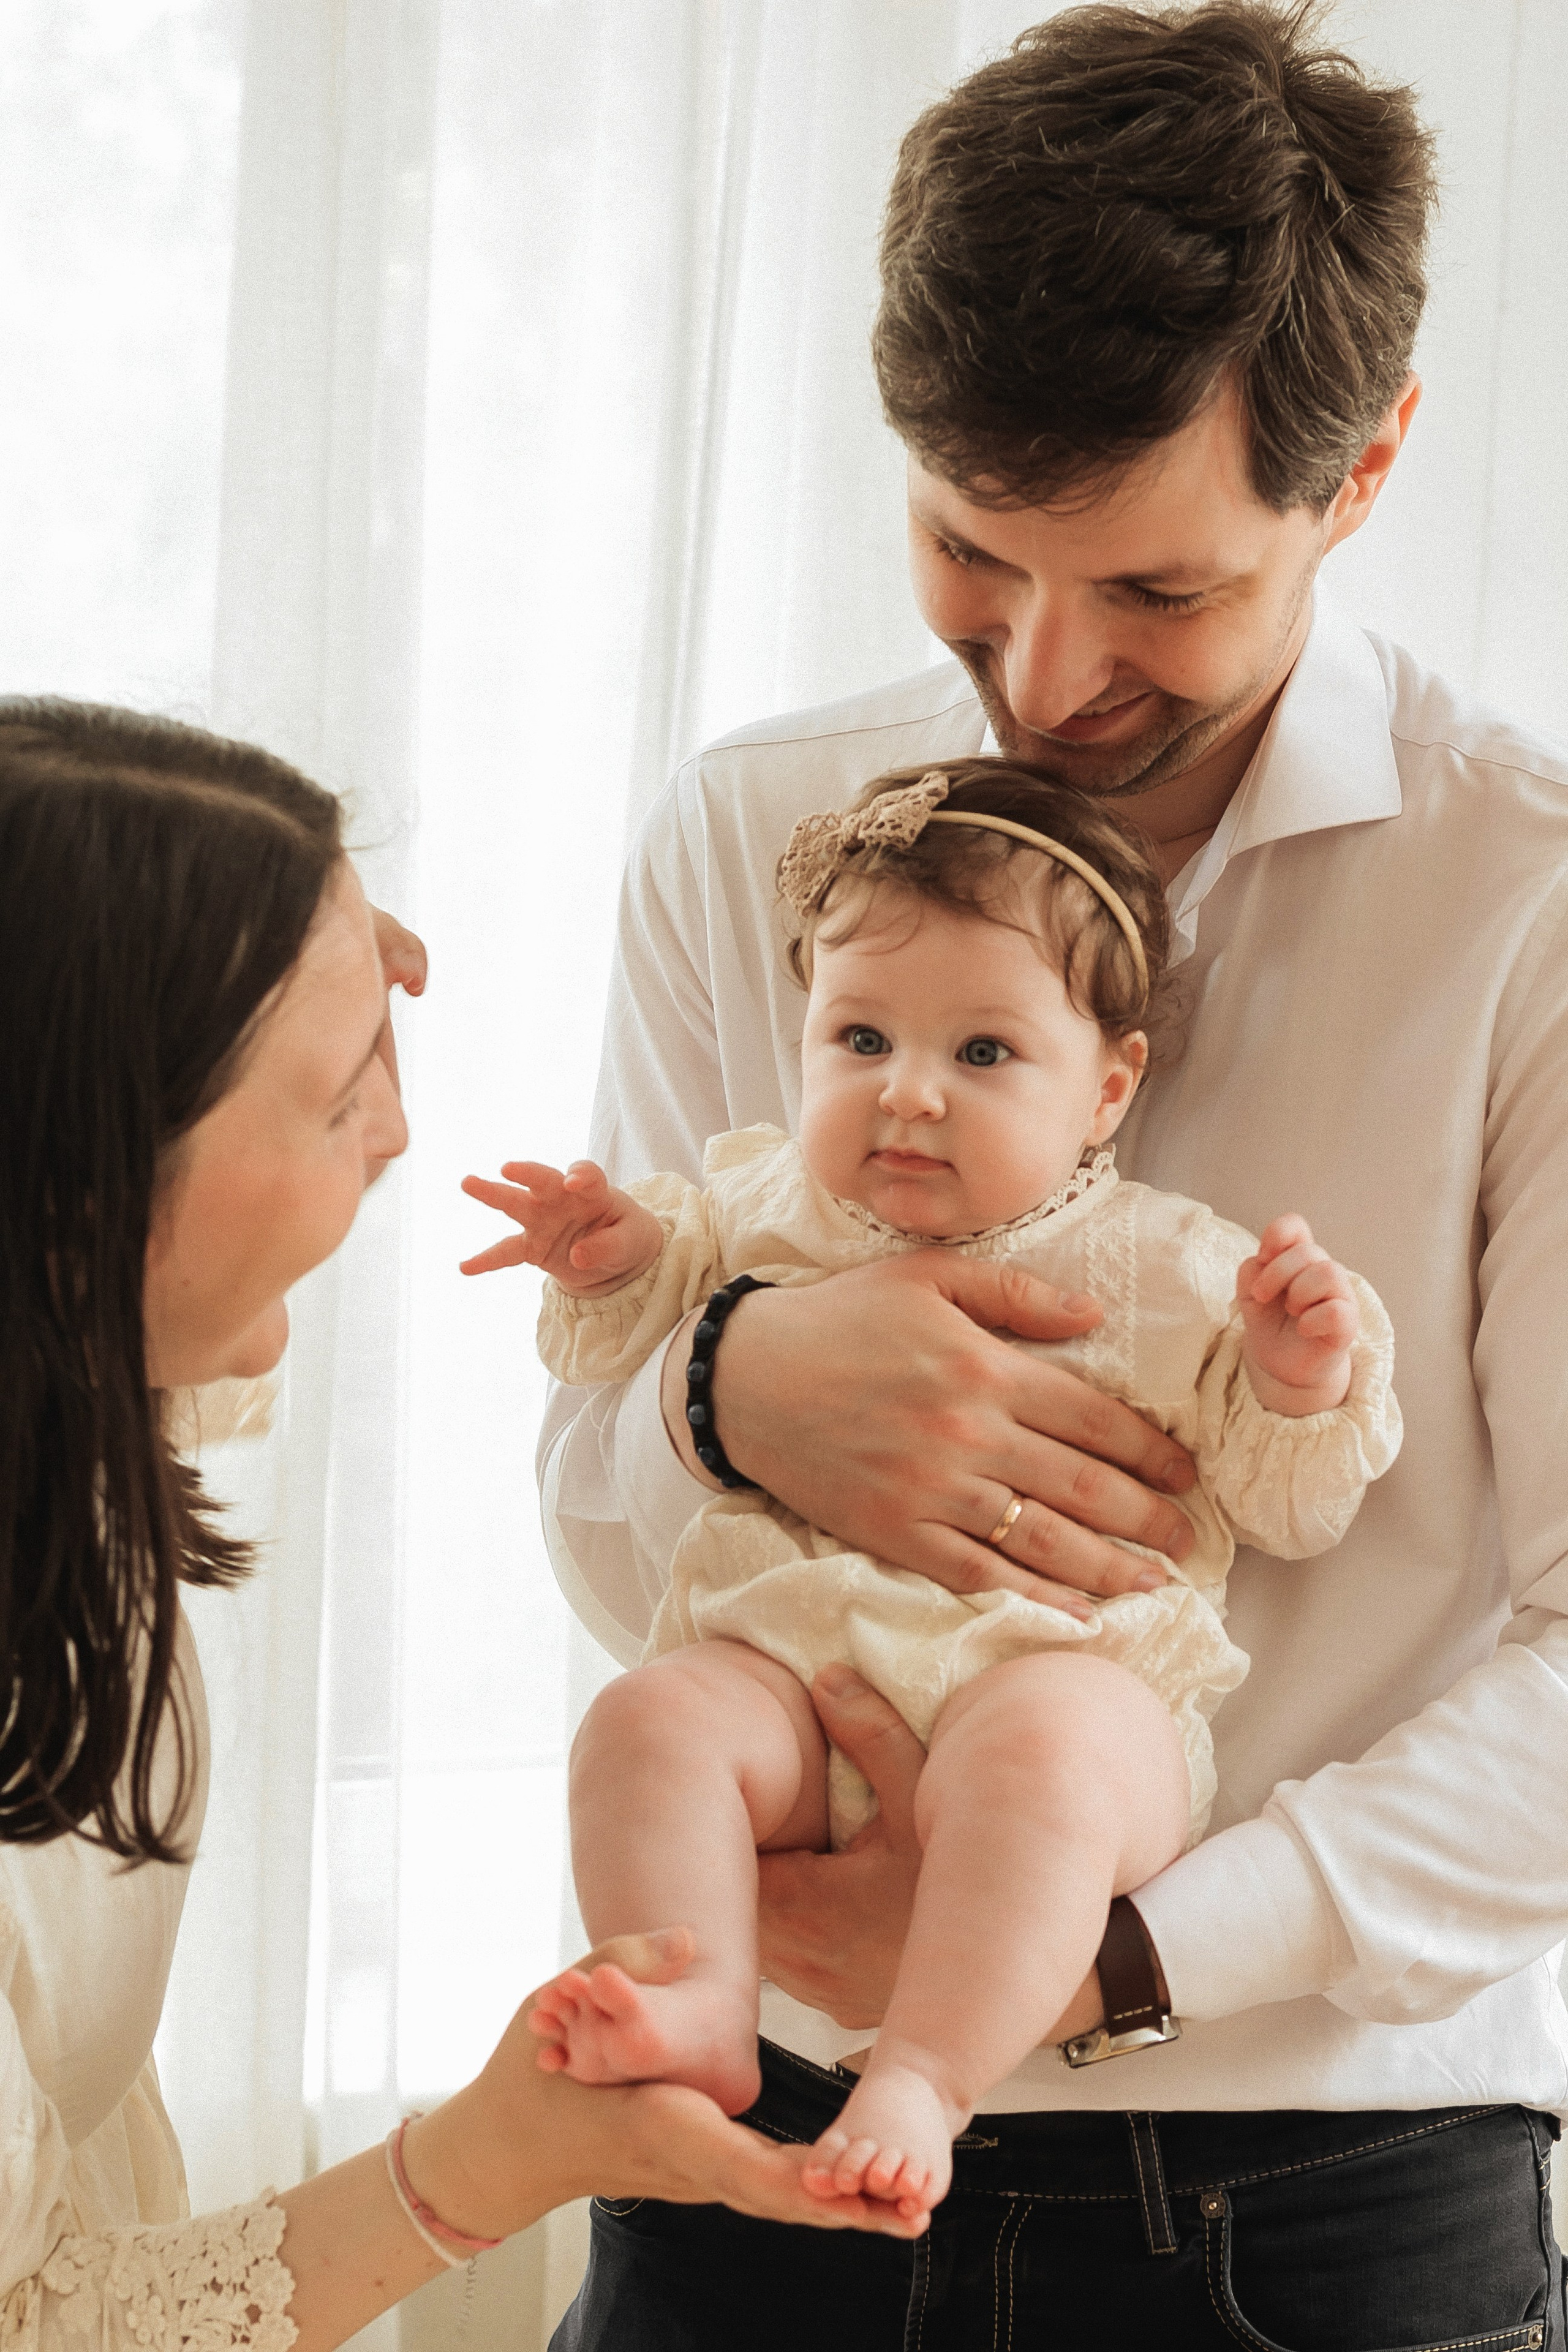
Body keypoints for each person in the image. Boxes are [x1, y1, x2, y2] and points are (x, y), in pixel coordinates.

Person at [537, 4, 1568, 2345]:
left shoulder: (1531, 897)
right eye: (969, 552)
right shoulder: (746, 834)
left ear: (1371, 464)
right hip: (746, 2169)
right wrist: (719, 1388)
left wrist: (1106, 1954)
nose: (1047, 671)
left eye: (1162, 593)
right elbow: (597, 1506)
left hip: (1319, 2189)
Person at [0, 701, 918, 2352]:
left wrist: (245, 912)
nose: (403, 1124)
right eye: (343, 1084)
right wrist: (489, 2158)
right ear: (84, 1192)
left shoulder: (62, 1388)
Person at [467, 758, 1399, 2219]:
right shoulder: (763, 1204)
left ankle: (922, 2074)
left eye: (980, 1054)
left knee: (1036, 1771)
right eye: (857, 1037)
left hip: (1056, 1672)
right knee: (645, 1718)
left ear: (1105, 1087)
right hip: (793, 1661)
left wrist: (1294, 1370)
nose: (904, 1092)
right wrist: (612, 1257)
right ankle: (701, 1999)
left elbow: (1293, 1501)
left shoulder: (1160, 1264)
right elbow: (639, 1338)